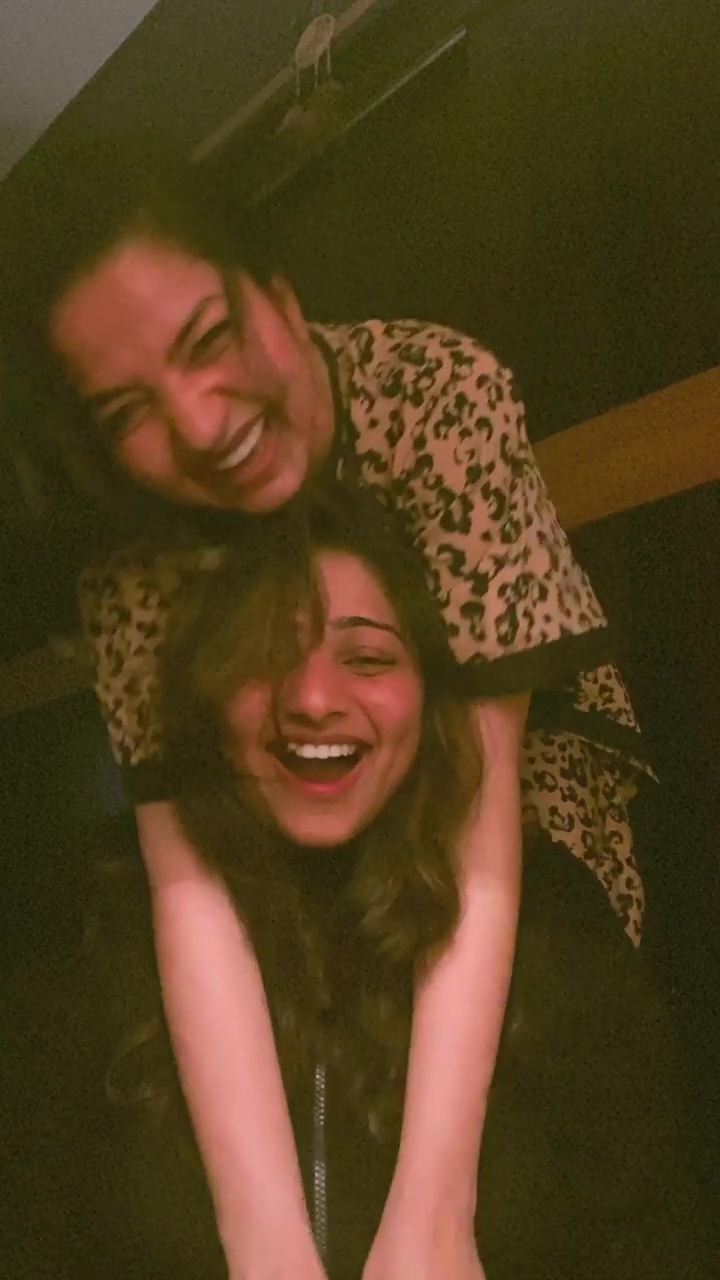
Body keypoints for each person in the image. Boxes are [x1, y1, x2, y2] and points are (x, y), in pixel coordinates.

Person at [0, 135, 653, 1280]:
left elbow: (484, 809)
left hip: (502, 790)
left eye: (209, 340)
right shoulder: (130, 562)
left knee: (531, 1102)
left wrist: (434, 1218)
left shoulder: (434, 393)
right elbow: (190, 883)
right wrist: (262, 1242)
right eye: (129, 408)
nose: (201, 424)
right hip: (266, 827)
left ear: (277, 291)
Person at [1, 488, 702, 1279]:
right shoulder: (93, 928)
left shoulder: (553, 920)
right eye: (263, 658)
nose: (312, 700)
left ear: (431, 695)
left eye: (367, 659)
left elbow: (656, 1240)